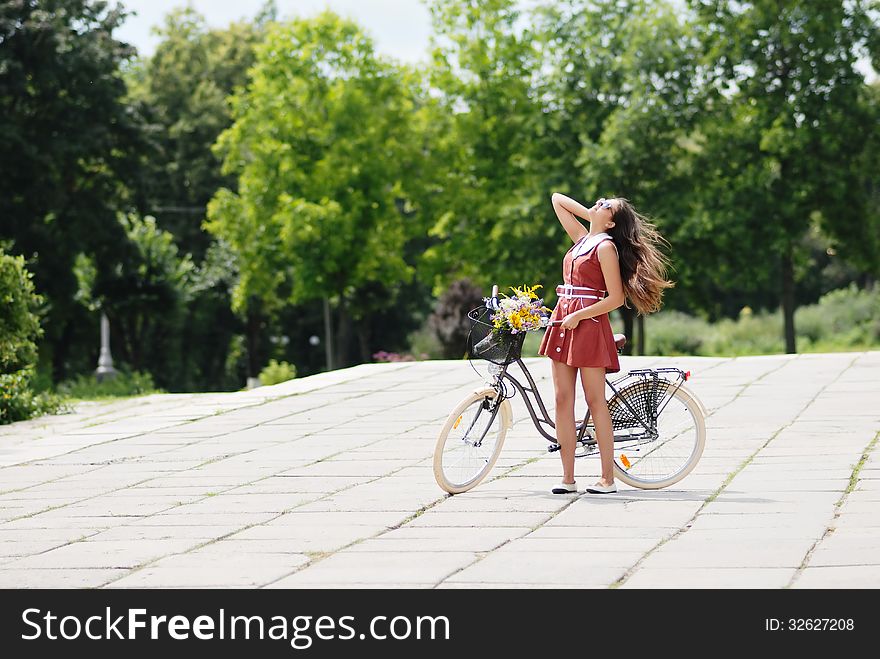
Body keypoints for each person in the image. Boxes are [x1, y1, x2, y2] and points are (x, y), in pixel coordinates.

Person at [539, 193, 674, 495]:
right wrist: (592, 213)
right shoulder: (582, 239)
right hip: (564, 321)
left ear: (611, 222)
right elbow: (557, 199)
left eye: (606, 206)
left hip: (588, 325)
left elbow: (615, 298)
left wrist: (580, 315)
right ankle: (568, 478)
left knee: (595, 401)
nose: (599, 203)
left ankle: (607, 479)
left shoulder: (606, 247)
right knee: (562, 398)